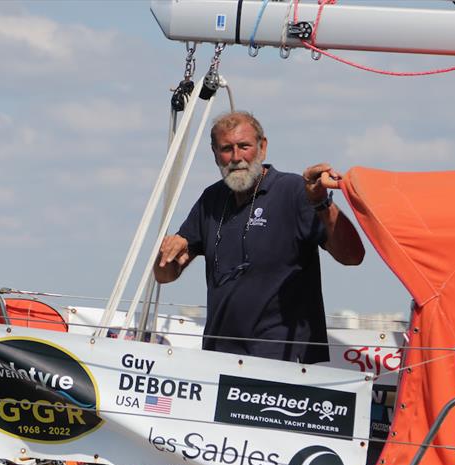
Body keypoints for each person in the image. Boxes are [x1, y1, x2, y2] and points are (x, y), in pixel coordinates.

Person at [154, 111, 364, 363]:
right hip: (219, 358)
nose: (236, 157)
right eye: (226, 148)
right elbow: (164, 276)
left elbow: (352, 256)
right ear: (214, 153)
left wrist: (320, 203)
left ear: (262, 147)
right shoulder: (211, 199)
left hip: (283, 360)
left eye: (244, 146)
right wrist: (165, 254)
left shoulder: (295, 191)